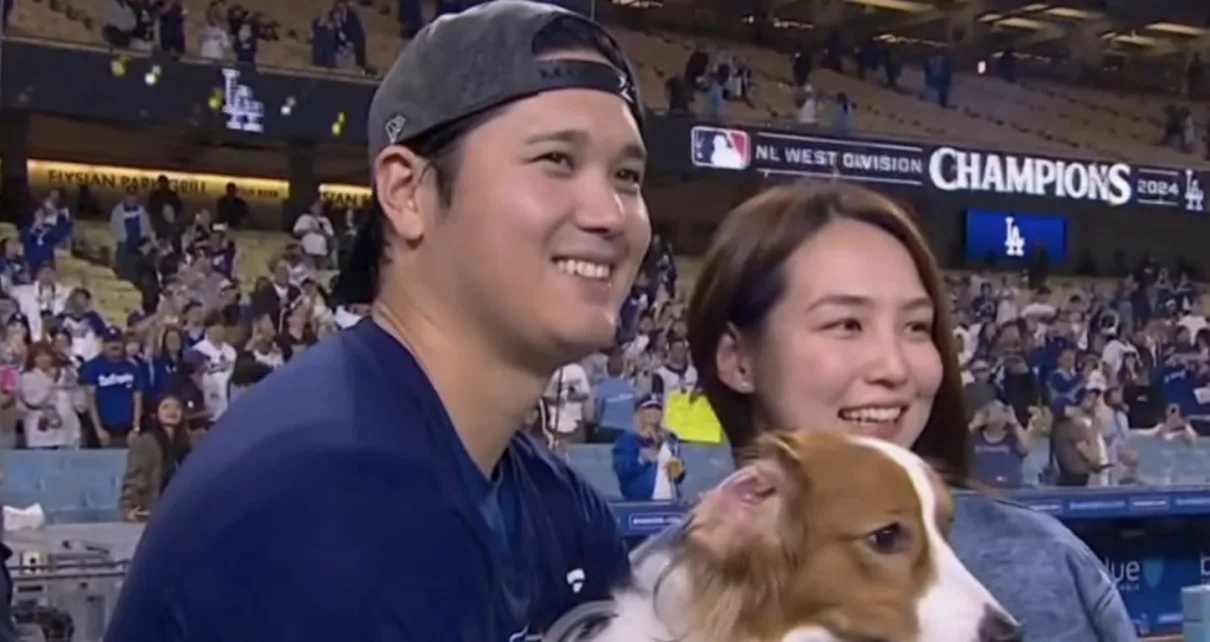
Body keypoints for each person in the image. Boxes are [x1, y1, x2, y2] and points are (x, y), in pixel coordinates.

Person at [105, 2, 651, 640]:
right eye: (557, 160)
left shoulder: (558, 506)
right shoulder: (313, 498)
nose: (611, 213)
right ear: (407, 192)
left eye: (628, 176)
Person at [623, 182, 1136, 640]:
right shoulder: (647, 595)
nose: (894, 366)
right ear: (738, 360)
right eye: (846, 324)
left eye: (916, 327)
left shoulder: (1046, 567)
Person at [118, 394, 194, 522]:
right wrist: (128, 508)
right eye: (166, 407)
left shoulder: (189, 443)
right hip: (154, 512)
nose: (172, 412)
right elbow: (135, 478)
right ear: (155, 413)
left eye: (177, 408)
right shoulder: (145, 442)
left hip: (184, 512)